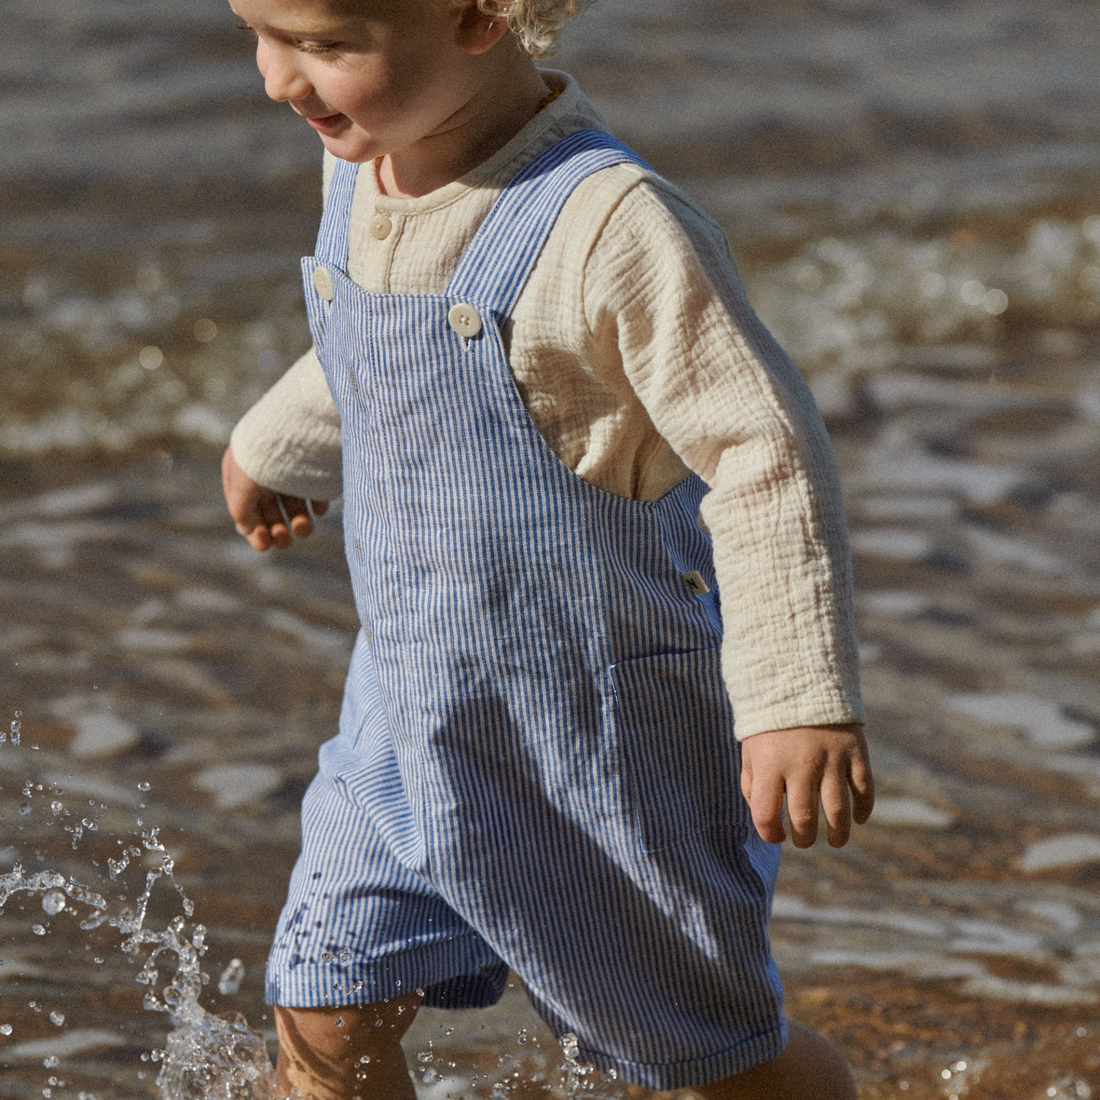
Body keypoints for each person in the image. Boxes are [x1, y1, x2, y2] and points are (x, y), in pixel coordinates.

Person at [220, 0, 875, 1096]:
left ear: (482, 14)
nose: (277, 79)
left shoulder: (610, 224)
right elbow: (380, 335)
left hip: (592, 728)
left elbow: (763, 449)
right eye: (257, 28)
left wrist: (794, 696)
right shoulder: (366, 161)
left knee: (697, 1059)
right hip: (408, 699)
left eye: (325, 46)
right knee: (326, 1001)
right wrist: (278, 439)